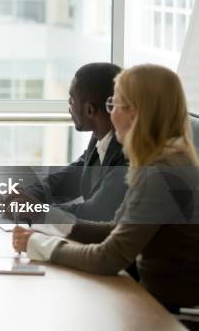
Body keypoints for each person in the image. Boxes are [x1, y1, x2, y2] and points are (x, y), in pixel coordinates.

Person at [12, 64, 199, 309]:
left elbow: (109, 257)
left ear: (136, 112)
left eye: (114, 105)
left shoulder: (161, 173)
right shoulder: (164, 161)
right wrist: (43, 217)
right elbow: (113, 231)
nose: (110, 115)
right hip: (153, 301)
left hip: (176, 314)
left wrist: (38, 245)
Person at [2, 62, 128, 222]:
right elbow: (69, 178)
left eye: (71, 101)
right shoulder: (100, 137)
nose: (69, 108)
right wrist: (23, 197)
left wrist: (37, 210)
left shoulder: (127, 154)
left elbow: (97, 211)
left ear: (89, 110)